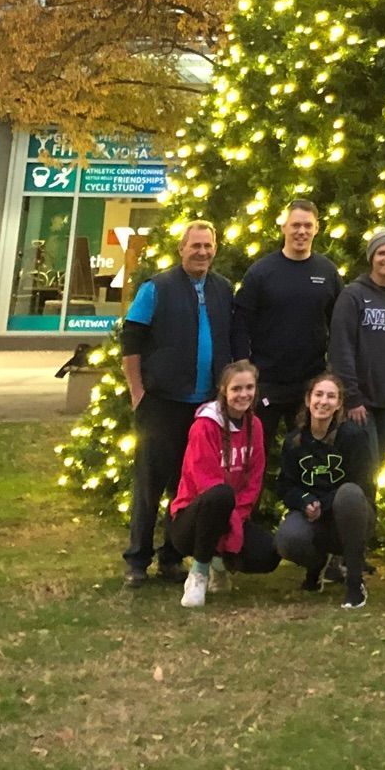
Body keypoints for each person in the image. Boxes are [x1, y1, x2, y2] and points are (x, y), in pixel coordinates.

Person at [120, 220, 235, 587]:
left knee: (188, 487)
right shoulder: (157, 288)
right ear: (181, 249)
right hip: (162, 403)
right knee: (150, 484)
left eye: (208, 246)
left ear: (215, 249)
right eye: (195, 245)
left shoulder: (222, 290)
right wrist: (137, 392)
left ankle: (171, 557)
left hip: (203, 407)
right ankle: (137, 560)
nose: (201, 252)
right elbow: (132, 341)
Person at [167, 359, 280, 609]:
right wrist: (230, 523)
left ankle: (219, 565)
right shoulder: (205, 426)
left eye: (249, 388)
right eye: (236, 389)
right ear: (223, 391)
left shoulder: (256, 426)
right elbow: (205, 481)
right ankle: (199, 573)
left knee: (268, 555)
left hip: (234, 516)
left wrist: (238, 520)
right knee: (220, 495)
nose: (244, 394)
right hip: (192, 519)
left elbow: (254, 479)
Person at [232, 197, 342, 452]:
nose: (301, 232)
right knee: (255, 456)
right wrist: (244, 368)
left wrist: (331, 372)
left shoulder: (327, 272)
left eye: (307, 226)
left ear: (317, 228)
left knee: (308, 456)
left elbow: (339, 325)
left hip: (310, 384)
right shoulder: (261, 272)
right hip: (266, 382)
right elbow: (240, 323)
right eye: (295, 225)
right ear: (284, 227)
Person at [274, 371, 376, 611]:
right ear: (308, 400)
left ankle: (354, 581)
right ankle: (316, 565)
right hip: (313, 518)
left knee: (349, 493)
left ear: (339, 403)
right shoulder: (293, 442)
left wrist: (324, 503)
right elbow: (285, 485)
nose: (323, 401)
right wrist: (305, 500)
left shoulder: (353, 437)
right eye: (318, 394)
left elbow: (363, 485)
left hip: (352, 516)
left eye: (331, 396)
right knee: (288, 539)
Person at [327, 228, 385, 465]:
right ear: (372, 258)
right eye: (381, 253)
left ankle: (369, 504)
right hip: (362, 403)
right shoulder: (352, 296)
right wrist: (352, 397)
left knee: (378, 466)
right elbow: (341, 349)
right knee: (363, 466)